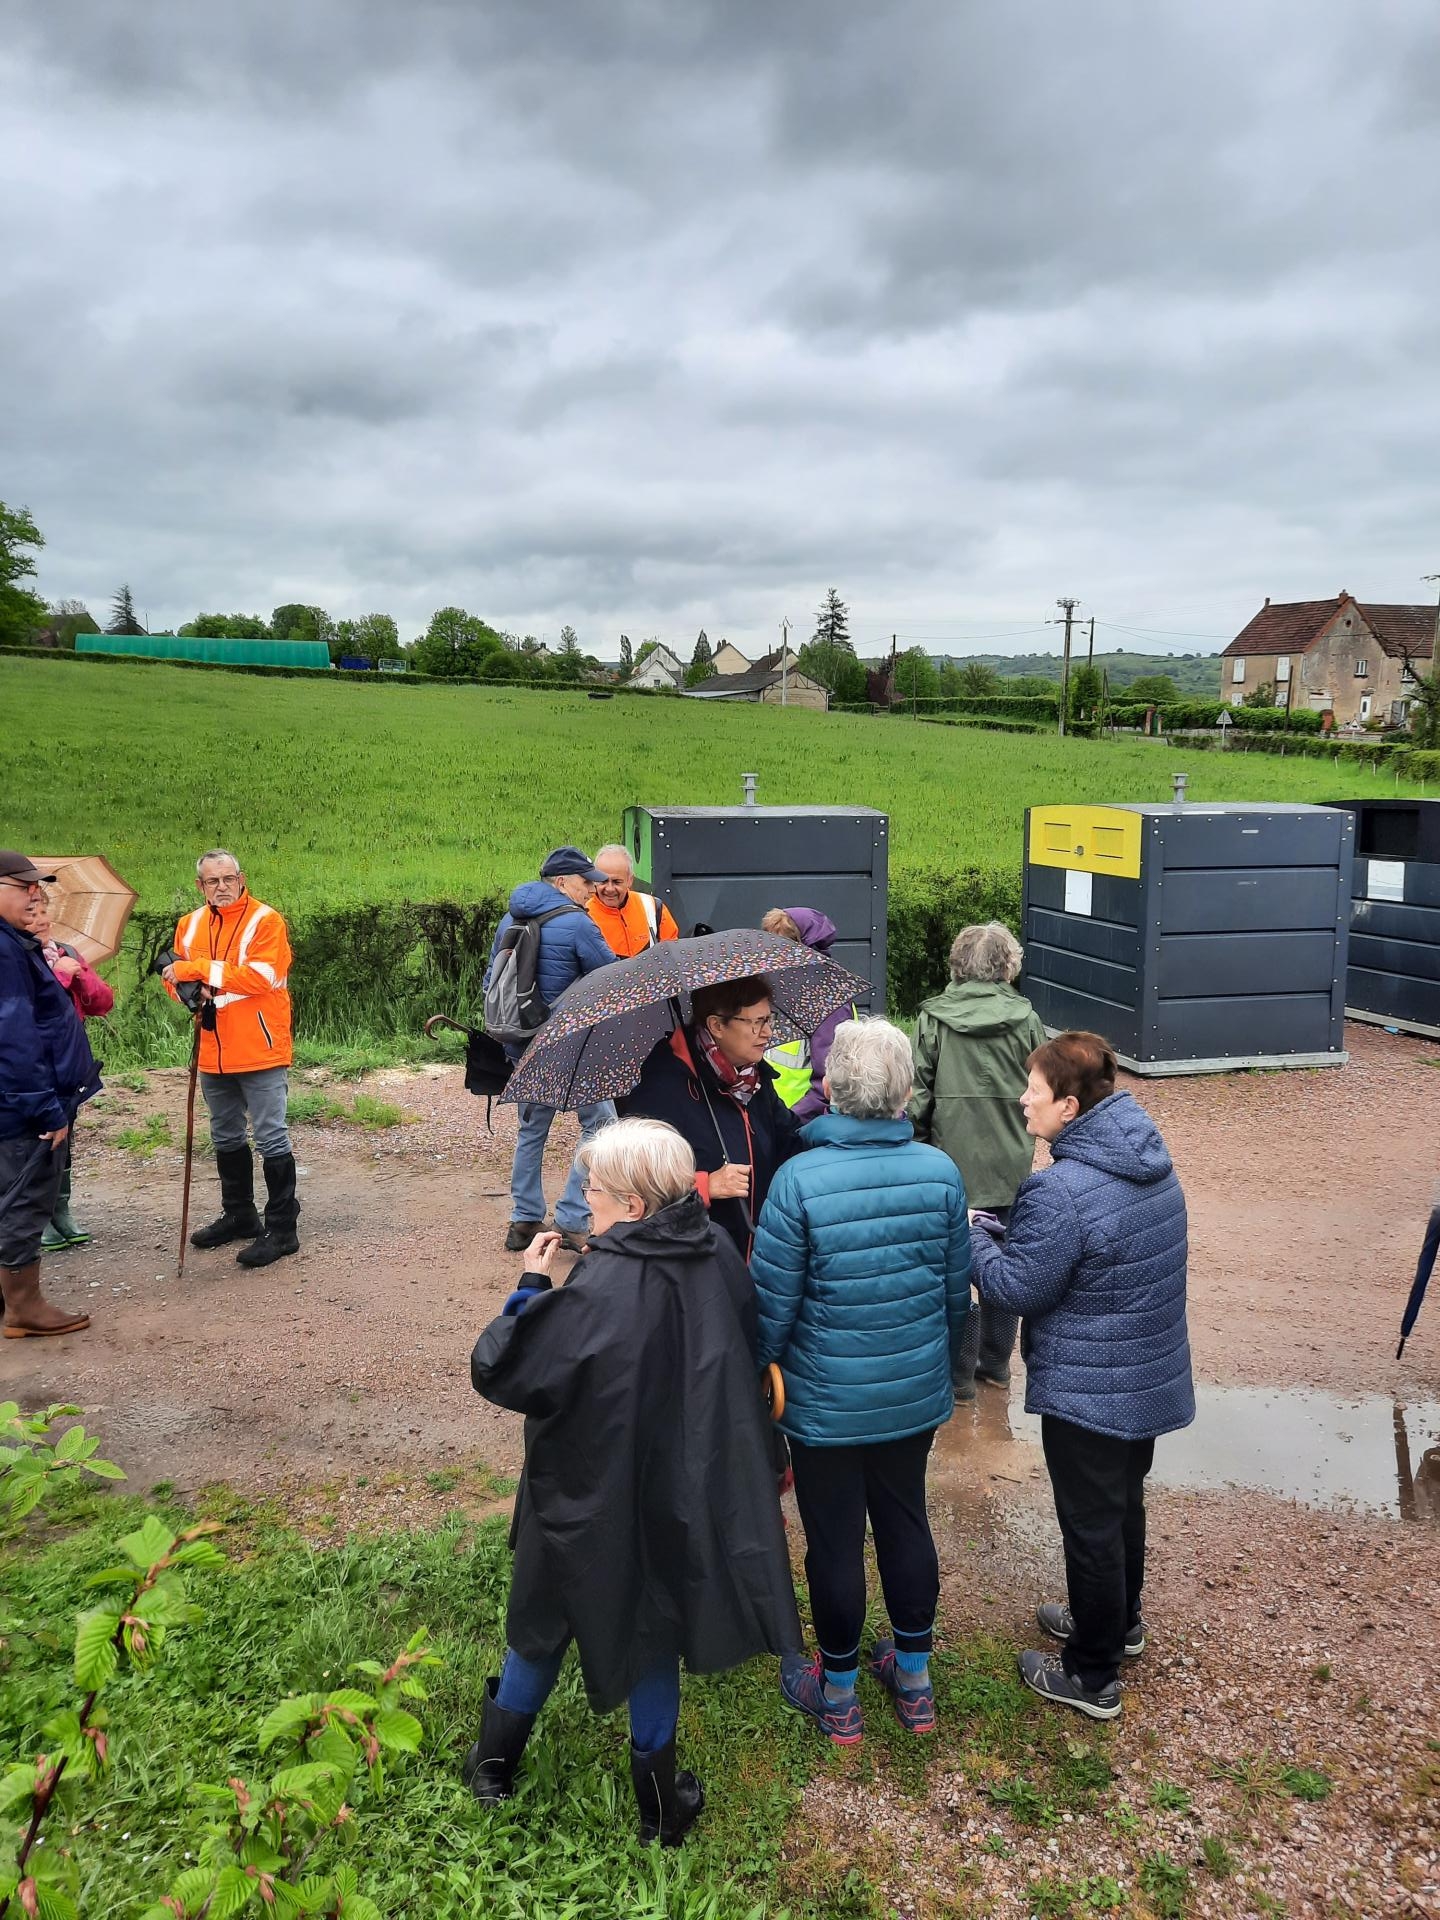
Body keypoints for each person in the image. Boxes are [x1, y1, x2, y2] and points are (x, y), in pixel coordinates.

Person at [466, 1117, 801, 1845]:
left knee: (548, 1615)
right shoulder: (714, 1248)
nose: (585, 1199)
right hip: (679, 1485)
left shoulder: (605, 1282)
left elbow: (505, 1367)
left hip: (586, 1486)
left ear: (638, 1206)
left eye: (598, 1190)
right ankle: (660, 1813)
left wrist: (529, 1284)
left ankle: (491, 1768)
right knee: (652, 1623)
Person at [750, 1018, 971, 1744]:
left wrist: (761, 1372)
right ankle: (914, 1683)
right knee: (907, 1522)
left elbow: (772, 1311)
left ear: (829, 1089)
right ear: (906, 1092)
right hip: (911, 1392)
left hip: (823, 1403)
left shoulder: (798, 1181)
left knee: (835, 1541)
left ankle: (837, 1693)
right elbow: (952, 1295)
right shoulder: (940, 1174)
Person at [968, 1031, 1193, 1722]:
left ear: (1067, 1106)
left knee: (1090, 1528)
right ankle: (1117, 1625)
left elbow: (1015, 1288)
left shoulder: (1058, 1190)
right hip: (1145, 1378)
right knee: (1122, 1508)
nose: (1021, 1099)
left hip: (1091, 1392)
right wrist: (1020, 1235)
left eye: (1031, 1089)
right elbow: (1093, 1251)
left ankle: (1092, 1676)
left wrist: (974, 1233)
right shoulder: (1149, 1162)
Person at [909, 921, 1047, 1400]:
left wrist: (919, 1149)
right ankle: (996, 1365)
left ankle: (958, 1376)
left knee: (953, 1269)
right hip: (1010, 1163)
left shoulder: (933, 1019)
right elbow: (1041, 1087)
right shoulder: (1028, 1019)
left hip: (949, 1165)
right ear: (1008, 966)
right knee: (1002, 1266)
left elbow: (917, 1095)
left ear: (957, 964)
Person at [163, 850, 299, 1268]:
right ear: (200, 886)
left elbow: (263, 976)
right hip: (212, 1050)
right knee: (224, 1135)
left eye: (228, 878)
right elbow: (173, 976)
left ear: (242, 878)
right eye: (212, 881)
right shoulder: (189, 924)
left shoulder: (266, 921)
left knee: (271, 1136)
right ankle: (240, 1215)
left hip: (259, 1047)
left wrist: (199, 971)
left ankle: (282, 1230)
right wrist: (187, 991)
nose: (221, 887)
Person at [486, 846, 618, 1252]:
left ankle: (524, 1220)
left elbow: (492, 976)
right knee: (601, 1127)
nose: (593, 890)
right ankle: (573, 1217)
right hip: (571, 1044)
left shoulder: (512, 917)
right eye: (585, 882)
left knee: (531, 1131)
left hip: (522, 1042)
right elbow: (609, 975)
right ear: (561, 882)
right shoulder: (577, 924)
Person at [622, 974, 802, 1260]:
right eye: (756, 1022)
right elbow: (634, 1180)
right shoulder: (663, 1087)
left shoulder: (753, 1079)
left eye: (769, 1020)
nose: (767, 1032)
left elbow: (791, 1140)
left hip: (756, 1254)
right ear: (717, 1025)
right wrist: (705, 1185)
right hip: (696, 1264)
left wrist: (844, 1126)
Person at [0, 850, 100, 1337]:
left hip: (28, 1100)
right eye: (24, 888)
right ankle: (23, 1308)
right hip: (25, 1107)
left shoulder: (15, 946)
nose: (35, 895)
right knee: (23, 1200)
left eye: (38, 888)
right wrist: (45, 1108)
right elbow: (15, 1038)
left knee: (15, 1194)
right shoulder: (5, 952)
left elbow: (95, 1001)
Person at [27, 893, 114, 1251]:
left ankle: (60, 1211)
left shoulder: (66, 953)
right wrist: (60, 980)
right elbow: (27, 1013)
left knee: (65, 1137)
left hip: (68, 1065)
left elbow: (102, 1002)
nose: (41, 919)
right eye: (32, 912)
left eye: (45, 911)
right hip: (30, 1065)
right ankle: (36, 1217)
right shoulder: (16, 960)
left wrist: (78, 977)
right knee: (34, 1139)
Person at [760, 908, 855, 1124]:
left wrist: (790, 1120)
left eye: (782, 945)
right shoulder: (784, 989)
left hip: (803, 1126)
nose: (773, 954)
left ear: (804, 946)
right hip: (774, 1119)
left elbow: (830, 1081)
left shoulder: (827, 997)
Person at [588, 844, 680, 957]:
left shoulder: (653, 908)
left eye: (617, 882)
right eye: (603, 881)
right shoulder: (584, 916)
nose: (609, 889)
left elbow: (673, 953)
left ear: (630, 880)